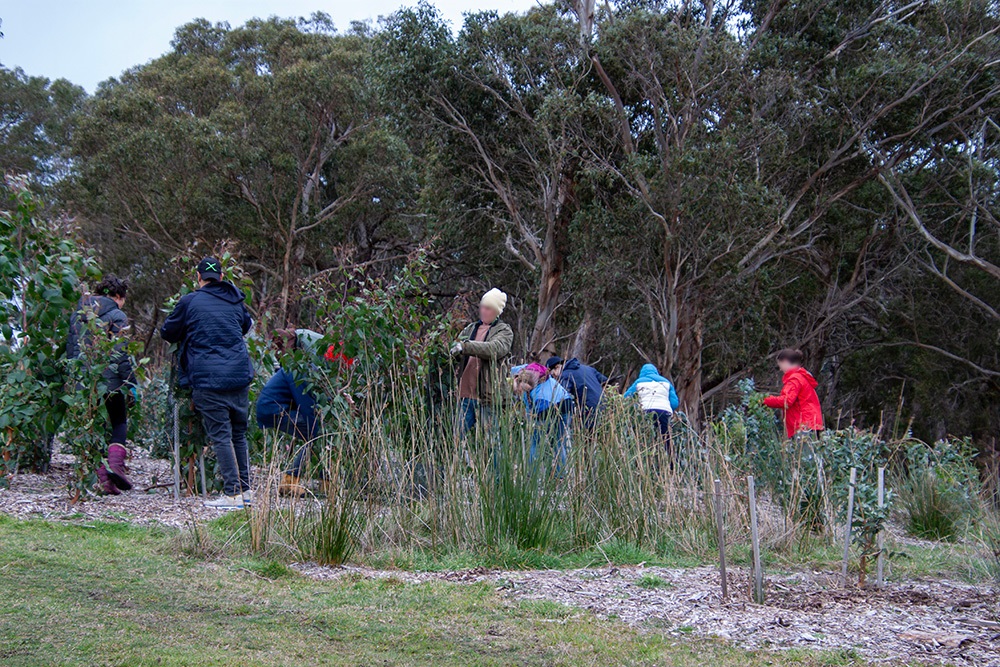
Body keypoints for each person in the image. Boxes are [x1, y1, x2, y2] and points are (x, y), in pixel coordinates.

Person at [161, 258, 254, 509]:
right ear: (221, 277)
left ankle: (233, 494)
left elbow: (167, 331)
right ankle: (245, 491)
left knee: (221, 436)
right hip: (239, 376)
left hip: (208, 379)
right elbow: (245, 326)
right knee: (238, 434)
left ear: (199, 279)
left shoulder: (190, 301)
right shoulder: (235, 300)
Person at [257, 329, 353, 497]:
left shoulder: (312, 365)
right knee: (319, 432)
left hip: (279, 407)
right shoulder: (303, 371)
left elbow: (324, 393)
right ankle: (290, 481)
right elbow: (308, 405)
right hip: (273, 408)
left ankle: (326, 482)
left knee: (322, 432)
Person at [67, 276, 136, 496]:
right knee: (118, 422)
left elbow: (72, 350)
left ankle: (102, 479)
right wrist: (131, 383)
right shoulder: (118, 314)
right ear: (118, 296)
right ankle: (114, 467)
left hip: (85, 382)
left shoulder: (79, 315)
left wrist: (75, 378)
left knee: (92, 426)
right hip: (111, 381)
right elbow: (121, 353)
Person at [450, 288, 513, 435]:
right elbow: (455, 348)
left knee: (491, 444)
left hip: (488, 398)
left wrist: (465, 346)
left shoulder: (504, 331)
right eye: (482, 307)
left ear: (497, 311)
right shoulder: (470, 329)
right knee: (457, 438)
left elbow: (495, 349)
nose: (483, 311)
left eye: (488, 308)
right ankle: (461, 459)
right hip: (464, 396)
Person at [512, 363, 574, 472]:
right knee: (559, 443)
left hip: (548, 408)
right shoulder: (538, 373)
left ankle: (532, 475)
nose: (518, 393)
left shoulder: (536, 395)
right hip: (567, 403)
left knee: (534, 442)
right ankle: (560, 475)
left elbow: (532, 414)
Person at [762, 348, 824, 438]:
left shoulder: (795, 379)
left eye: (780, 365)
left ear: (786, 362)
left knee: (804, 451)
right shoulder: (802, 377)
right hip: (811, 423)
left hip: (804, 425)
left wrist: (765, 400)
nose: (780, 369)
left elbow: (787, 401)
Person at [623, 363, 680, 451]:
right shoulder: (666, 382)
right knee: (665, 438)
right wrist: (668, 409)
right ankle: (670, 460)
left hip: (645, 411)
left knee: (645, 439)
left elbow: (626, 398)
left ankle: (647, 459)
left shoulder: (639, 382)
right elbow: (675, 403)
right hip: (664, 412)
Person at [545, 356, 607, 428]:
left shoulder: (565, 376)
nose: (555, 378)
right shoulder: (588, 369)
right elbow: (606, 381)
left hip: (588, 410)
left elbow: (563, 397)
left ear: (557, 367)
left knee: (588, 436)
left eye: (553, 374)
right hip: (605, 406)